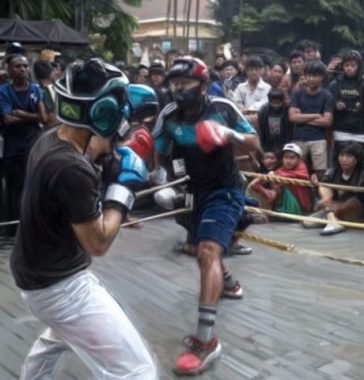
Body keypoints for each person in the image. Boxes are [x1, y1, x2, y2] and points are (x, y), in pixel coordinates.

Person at [10, 58, 157, 380]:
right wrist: (122, 189)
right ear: (104, 113)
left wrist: (100, 157)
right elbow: (97, 242)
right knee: (137, 371)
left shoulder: (50, 139)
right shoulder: (72, 169)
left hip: (34, 272)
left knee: (55, 340)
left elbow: (76, 172)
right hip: (60, 287)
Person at [152, 56, 259, 375]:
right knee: (202, 249)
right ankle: (228, 284)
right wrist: (162, 179)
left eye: (184, 84)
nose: (177, 89)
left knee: (208, 251)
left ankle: (207, 341)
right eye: (174, 84)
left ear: (201, 85)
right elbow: (160, 152)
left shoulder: (223, 107)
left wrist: (228, 134)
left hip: (226, 190)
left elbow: (255, 141)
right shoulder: (169, 115)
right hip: (195, 191)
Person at [0, 54, 47, 236]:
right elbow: (7, 119)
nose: (23, 69)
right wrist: (31, 116)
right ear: (10, 70)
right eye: (18, 66)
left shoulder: (35, 89)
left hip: (32, 145)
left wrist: (21, 113)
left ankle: (28, 227)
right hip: (13, 147)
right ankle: (12, 228)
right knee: (13, 188)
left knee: (31, 186)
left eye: (25, 66)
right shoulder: (4, 91)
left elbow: (43, 118)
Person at [303, 141, 364, 235]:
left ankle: (332, 218)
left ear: (356, 160)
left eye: (349, 156)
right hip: (332, 207)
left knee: (354, 202)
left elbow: (359, 199)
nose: (344, 159)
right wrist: (326, 198)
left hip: (354, 209)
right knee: (307, 222)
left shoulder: (361, 174)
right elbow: (324, 185)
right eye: (341, 155)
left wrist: (339, 207)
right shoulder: (333, 171)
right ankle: (332, 218)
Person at [289, 60, 334, 180]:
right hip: (299, 137)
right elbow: (292, 117)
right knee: (296, 170)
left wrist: (302, 118)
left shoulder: (327, 95)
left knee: (321, 173)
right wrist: (316, 116)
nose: (311, 78)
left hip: (318, 138)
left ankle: (320, 196)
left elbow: (327, 121)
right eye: (309, 75)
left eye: (315, 75)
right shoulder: (298, 94)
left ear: (322, 77)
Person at [248, 143, 312, 215]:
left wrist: (269, 176)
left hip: (300, 207)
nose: (288, 161)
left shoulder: (302, 167)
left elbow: (294, 175)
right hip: (281, 205)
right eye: (286, 157)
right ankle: (270, 195)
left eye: (292, 158)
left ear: (298, 159)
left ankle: (271, 195)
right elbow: (276, 175)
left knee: (284, 183)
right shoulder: (282, 169)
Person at [327, 50, 364, 156]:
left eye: (353, 65)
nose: (349, 68)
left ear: (359, 66)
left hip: (360, 131)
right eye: (346, 65)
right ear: (342, 66)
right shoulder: (335, 83)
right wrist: (335, 105)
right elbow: (326, 103)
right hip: (340, 131)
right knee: (341, 161)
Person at [258, 87, 292, 152]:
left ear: (282, 101)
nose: (276, 105)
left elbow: (290, 130)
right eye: (273, 103)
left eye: (278, 103)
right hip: (269, 140)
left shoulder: (286, 110)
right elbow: (262, 130)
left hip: (284, 139)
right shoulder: (264, 111)